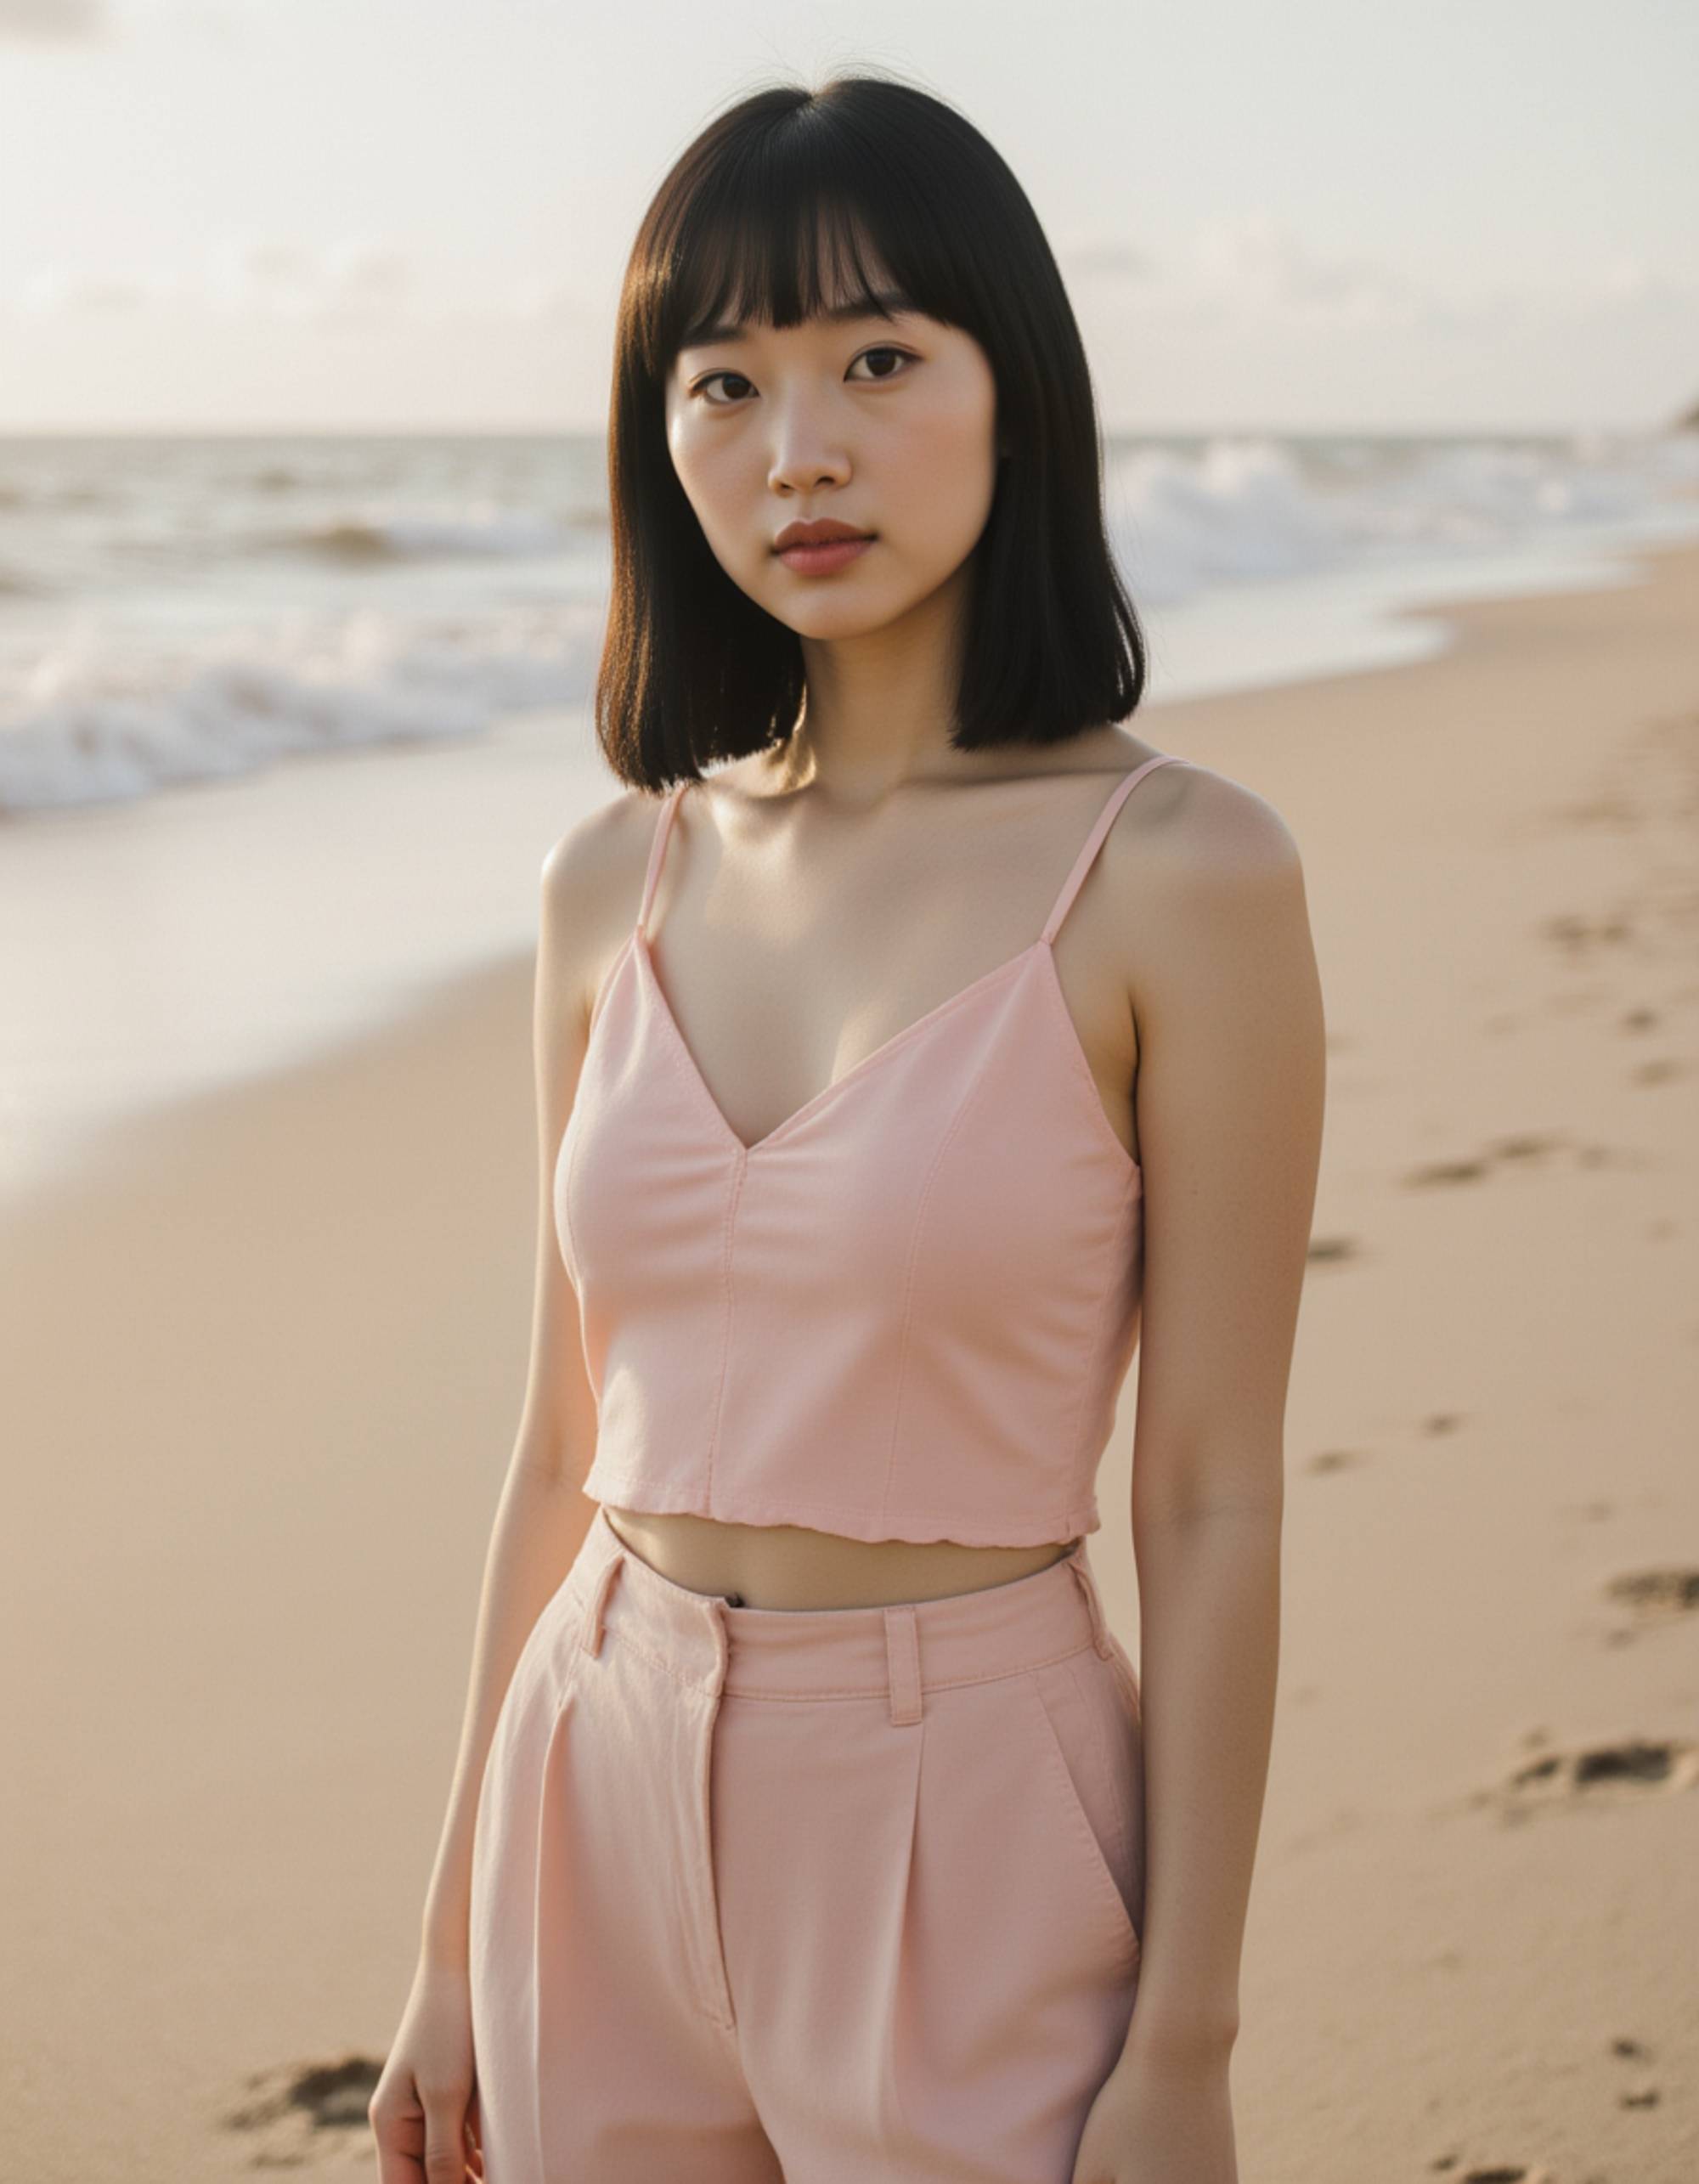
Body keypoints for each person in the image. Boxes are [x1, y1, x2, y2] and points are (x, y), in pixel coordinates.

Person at [370, 65, 1324, 2184]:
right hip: (588, 1787)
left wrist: (1188, 2042)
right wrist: (449, 1935)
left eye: (878, 358)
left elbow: (1213, 1501)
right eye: (722, 384)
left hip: (963, 1802)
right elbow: (556, 1444)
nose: (797, 449)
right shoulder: (604, 882)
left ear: (1018, 386)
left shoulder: (1182, 876)